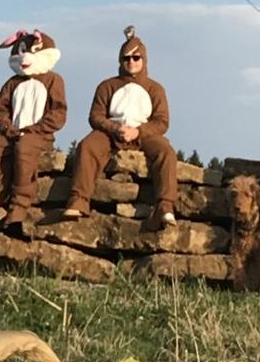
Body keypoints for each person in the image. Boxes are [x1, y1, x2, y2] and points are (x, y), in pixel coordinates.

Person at [63, 26, 177, 230]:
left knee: (166, 152)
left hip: (144, 133)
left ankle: (165, 206)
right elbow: (95, 116)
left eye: (136, 58)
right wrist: (114, 128)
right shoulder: (107, 86)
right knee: (87, 146)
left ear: (144, 59)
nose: (131, 62)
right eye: (127, 58)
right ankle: (78, 201)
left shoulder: (155, 89)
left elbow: (162, 121)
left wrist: (139, 132)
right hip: (111, 133)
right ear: (120, 61)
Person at [0, 29, 67, 237]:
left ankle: (17, 211)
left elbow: (58, 114)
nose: (25, 58)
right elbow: (1, 109)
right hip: (9, 132)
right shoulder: (12, 83)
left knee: (24, 152)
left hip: (38, 136)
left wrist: (35, 130)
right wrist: (7, 128)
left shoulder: (53, 81)